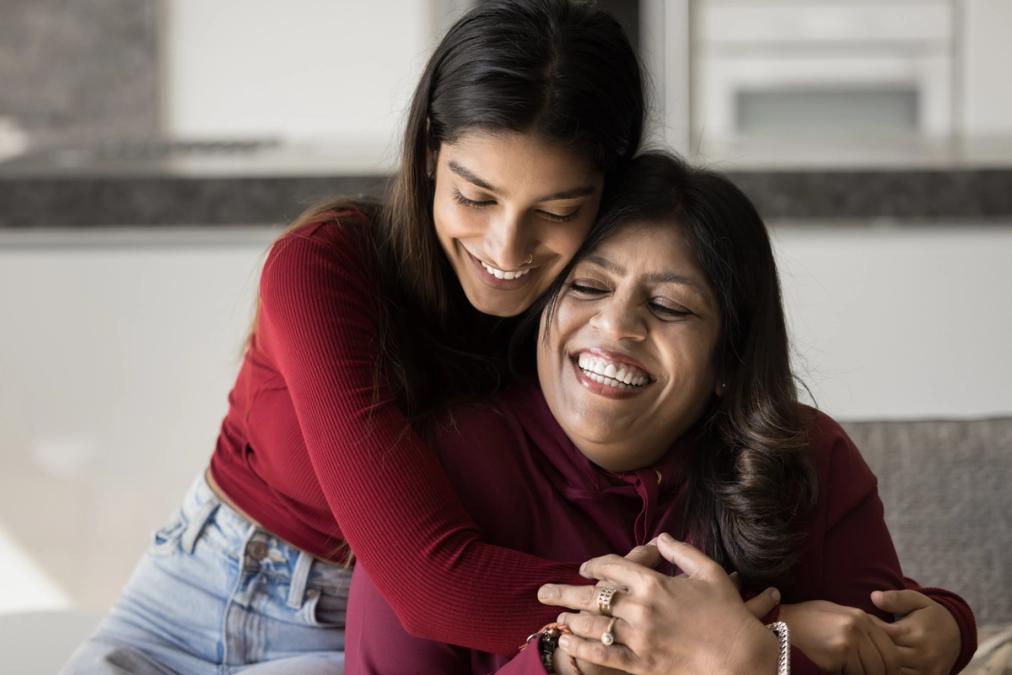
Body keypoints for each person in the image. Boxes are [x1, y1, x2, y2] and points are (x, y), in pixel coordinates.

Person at [62, 1, 970, 672]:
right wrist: (740, 635)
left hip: (353, 638)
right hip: (204, 586)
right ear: (427, 156)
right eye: (474, 194)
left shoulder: (584, 323)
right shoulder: (324, 267)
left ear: (607, 204)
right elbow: (428, 581)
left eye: (558, 212)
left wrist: (927, 620)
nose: (505, 250)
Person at [343, 152, 977, 674]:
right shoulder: (436, 465)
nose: (615, 326)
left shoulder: (806, 458)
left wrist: (755, 659)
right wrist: (572, 661)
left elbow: (901, 640)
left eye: (670, 307)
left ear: (728, 355)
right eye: (588, 287)